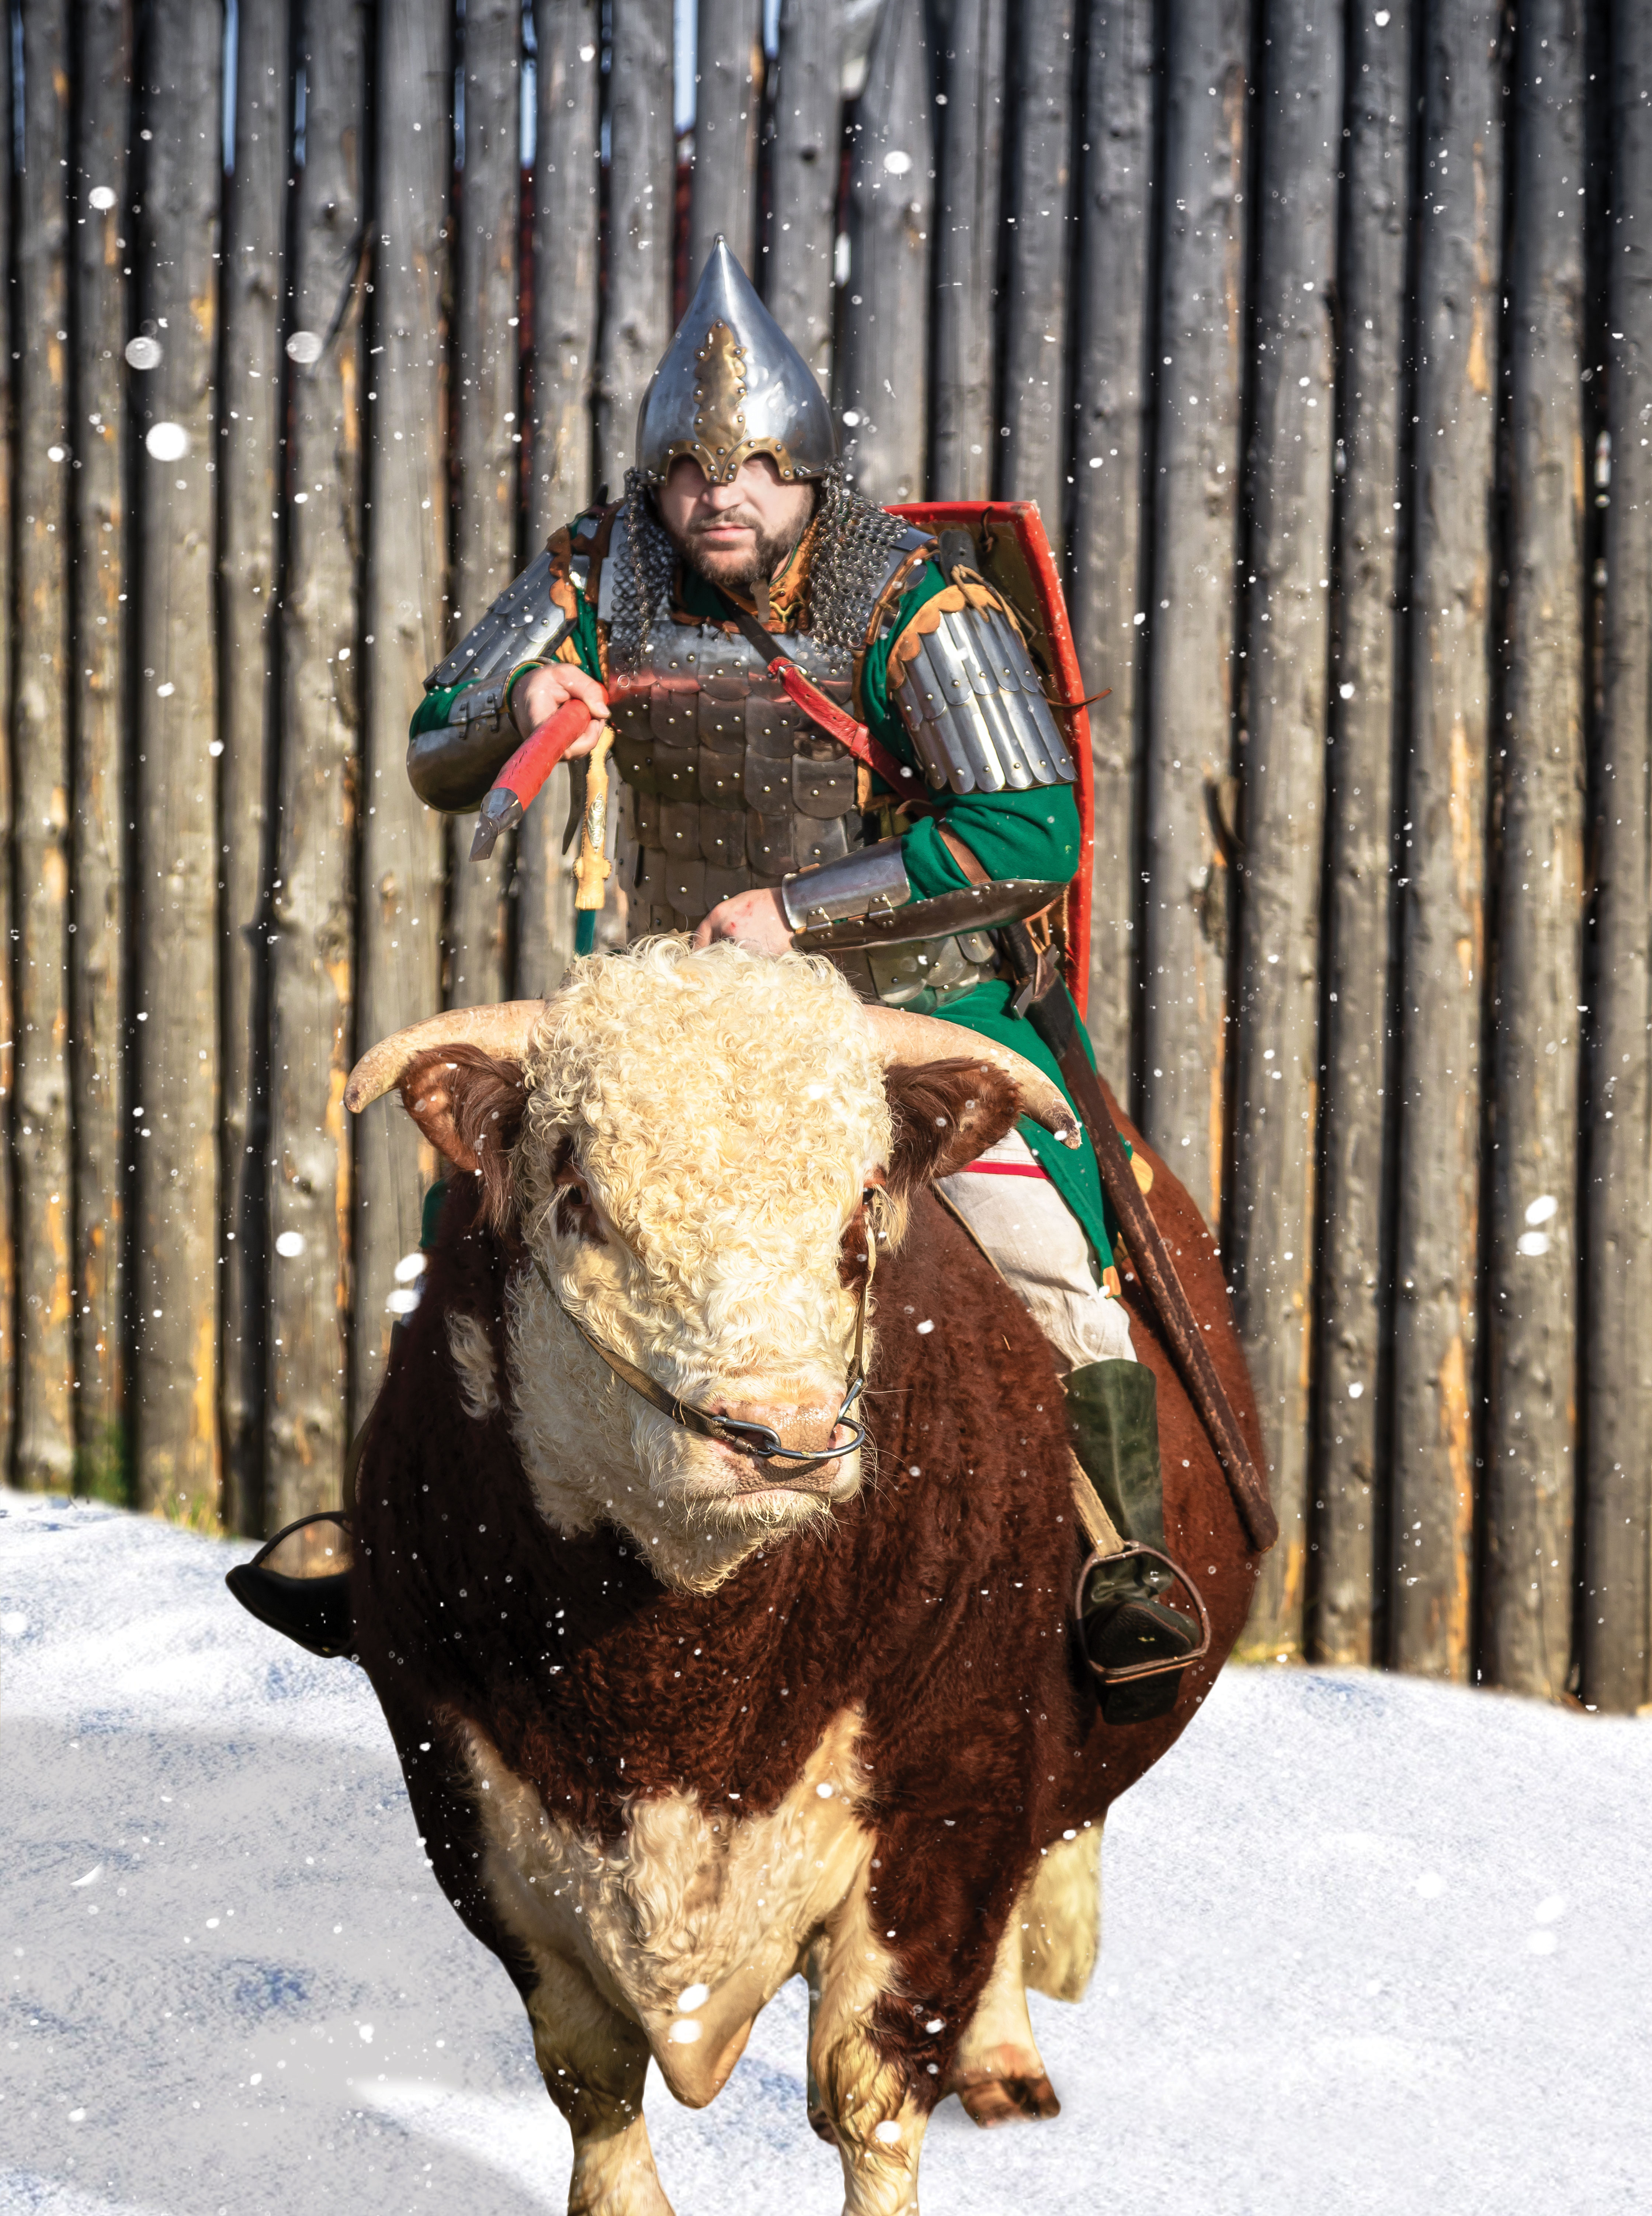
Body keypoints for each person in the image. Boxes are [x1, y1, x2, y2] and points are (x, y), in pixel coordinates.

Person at [229, 243, 1190, 1669]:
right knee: (481, 1219)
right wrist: (517, 706)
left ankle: (1122, 1556)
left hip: (902, 1004)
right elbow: (438, 746)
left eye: (748, 468)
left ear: (808, 474)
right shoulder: (599, 563)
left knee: (1048, 1243)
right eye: (687, 469)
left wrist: (795, 913)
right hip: (680, 1017)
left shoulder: (915, 598)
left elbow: (1028, 833)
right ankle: (405, 1517)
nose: (716, 496)